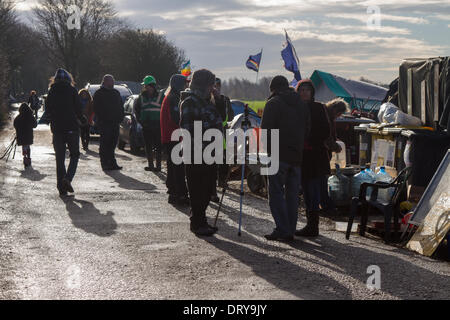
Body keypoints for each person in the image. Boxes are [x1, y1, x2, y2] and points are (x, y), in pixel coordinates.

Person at [260, 76, 310, 241]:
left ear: (273, 89)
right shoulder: (301, 104)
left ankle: (282, 229)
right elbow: (307, 130)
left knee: (275, 193)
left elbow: (265, 131)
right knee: (292, 195)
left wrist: (269, 152)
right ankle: (290, 228)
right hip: (297, 157)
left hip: (277, 155)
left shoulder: (273, 103)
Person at [180, 69, 223, 237]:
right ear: (204, 84)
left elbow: (221, 117)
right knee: (198, 190)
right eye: (211, 84)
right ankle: (197, 223)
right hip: (196, 152)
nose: (213, 87)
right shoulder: (190, 101)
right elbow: (188, 128)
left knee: (207, 189)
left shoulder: (207, 101)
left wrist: (218, 101)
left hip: (210, 152)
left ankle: (201, 220)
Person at [295, 79, 331, 237]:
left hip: (315, 156)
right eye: (301, 90)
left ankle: (313, 226)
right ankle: (309, 224)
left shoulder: (318, 108)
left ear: (312, 92)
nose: (304, 92)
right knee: (306, 190)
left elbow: (325, 131)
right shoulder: (295, 108)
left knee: (313, 190)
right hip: (301, 156)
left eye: (307, 90)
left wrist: (310, 141)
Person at [46, 68, 86, 196]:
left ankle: (62, 188)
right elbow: (78, 108)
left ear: (55, 79)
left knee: (60, 158)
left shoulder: (51, 91)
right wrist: (82, 119)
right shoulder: (72, 90)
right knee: (74, 155)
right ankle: (67, 179)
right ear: (69, 79)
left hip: (57, 129)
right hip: (71, 128)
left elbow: (48, 110)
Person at [160, 74, 189, 206]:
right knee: (177, 168)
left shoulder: (171, 96)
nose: (186, 86)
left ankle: (173, 191)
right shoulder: (173, 98)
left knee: (173, 166)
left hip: (171, 136)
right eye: (184, 83)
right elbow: (175, 119)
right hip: (174, 137)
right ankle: (180, 195)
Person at [320, 98, 350, 213]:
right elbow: (325, 137)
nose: (339, 116)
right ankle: (326, 205)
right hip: (320, 155)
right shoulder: (325, 117)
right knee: (321, 181)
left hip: (324, 156)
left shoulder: (329, 117)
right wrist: (335, 146)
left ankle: (325, 204)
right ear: (335, 110)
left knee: (322, 181)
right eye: (339, 113)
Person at [93, 74, 124, 171]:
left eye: (113, 80)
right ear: (105, 81)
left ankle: (112, 162)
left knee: (113, 143)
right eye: (111, 81)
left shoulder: (116, 92)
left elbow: (120, 106)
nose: (113, 82)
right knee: (105, 143)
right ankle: (104, 163)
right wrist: (101, 119)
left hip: (115, 122)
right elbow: (96, 108)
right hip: (105, 123)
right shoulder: (99, 93)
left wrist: (120, 117)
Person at [211, 77, 234, 202]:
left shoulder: (225, 99)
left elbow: (231, 115)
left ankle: (222, 180)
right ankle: (213, 187)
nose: (216, 88)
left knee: (224, 158)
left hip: (224, 131)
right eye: (214, 85)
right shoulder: (208, 99)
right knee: (213, 159)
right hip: (212, 132)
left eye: (218, 85)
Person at [134, 75, 164, 172]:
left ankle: (158, 166)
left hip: (158, 125)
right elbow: (136, 110)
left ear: (151, 86)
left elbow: (165, 110)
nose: (145, 87)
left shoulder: (161, 96)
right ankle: (151, 165)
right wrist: (141, 122)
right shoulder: (141, 97)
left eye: (146, 85)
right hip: (146, 125)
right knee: (148, 146)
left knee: (158, 146)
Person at [13, 103, 38, 168]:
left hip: (21, 134)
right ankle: (28, 158)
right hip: (28, 134)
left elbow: (15, 124)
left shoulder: (19, 117)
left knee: (24, 145)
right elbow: (35, 125)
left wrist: (18, 129)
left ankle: (25, 157)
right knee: (28, 146)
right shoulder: (30, 116)